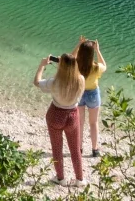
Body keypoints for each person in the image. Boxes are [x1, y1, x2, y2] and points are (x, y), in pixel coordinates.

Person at [34, 52, 86, 185]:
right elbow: (71, 69)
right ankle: (80, 179)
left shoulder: (54, 82)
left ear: (60, 66)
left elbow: (37, 82)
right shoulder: (81, 80)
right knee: (75, 150)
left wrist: (42, 66)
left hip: (55, 115)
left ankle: (60, 178)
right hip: (72, 116)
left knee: (57, 148)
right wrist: (65, 63)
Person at [75, 37, 107, 156]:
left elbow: (70, 56)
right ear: (91, 54)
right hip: (93, 93)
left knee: (80, 122)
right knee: (93, 123)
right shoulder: (96, 67)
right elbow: (104, 65)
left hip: (79, 92)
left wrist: (79, 45)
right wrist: (97, 50)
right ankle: (94, 149)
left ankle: (79, 148)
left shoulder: (76, 64)